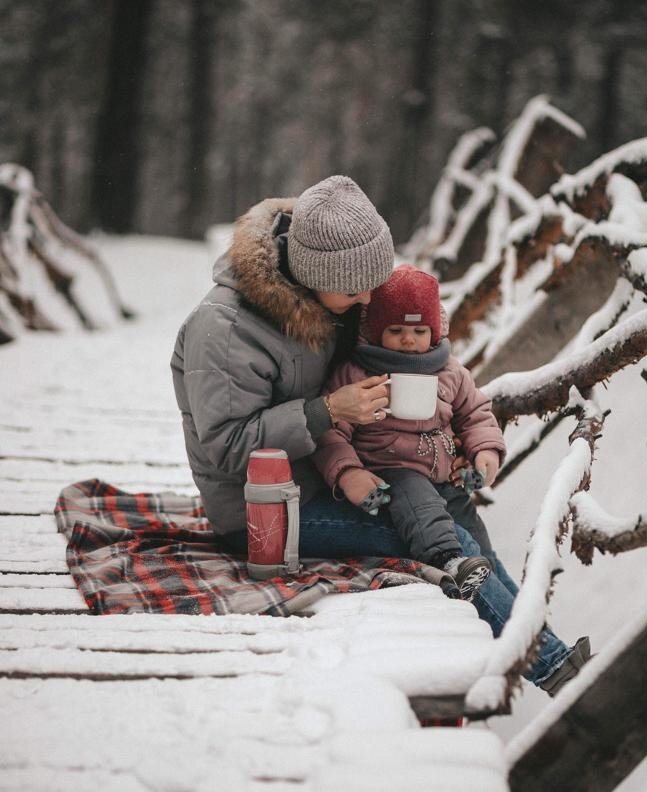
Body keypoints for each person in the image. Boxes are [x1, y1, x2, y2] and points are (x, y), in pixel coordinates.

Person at [171, 174, 481, 567]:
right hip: (267, 510)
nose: (368, 298)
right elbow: (228, 446)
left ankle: (532, 631)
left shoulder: (339, 302)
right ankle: (524, 631)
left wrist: (448, 443)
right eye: (356, 289)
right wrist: (328, 411)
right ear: (316, 276)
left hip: (350, 476)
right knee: (456, 542)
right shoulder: (226, 329)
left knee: (459, 517)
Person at [312, 264, 591, 694]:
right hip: (393, 479)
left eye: (419, 331)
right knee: (423, 502)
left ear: (435, 331)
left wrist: (483, 452)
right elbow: (333, 435)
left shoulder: (450, 373)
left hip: (448, 485)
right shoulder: (358, 374)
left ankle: (549, 652)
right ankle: (447, 561)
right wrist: (349, 473)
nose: (409, 341)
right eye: (397, 332)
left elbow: (476, 415)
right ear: (375, 332)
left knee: (490, 562)